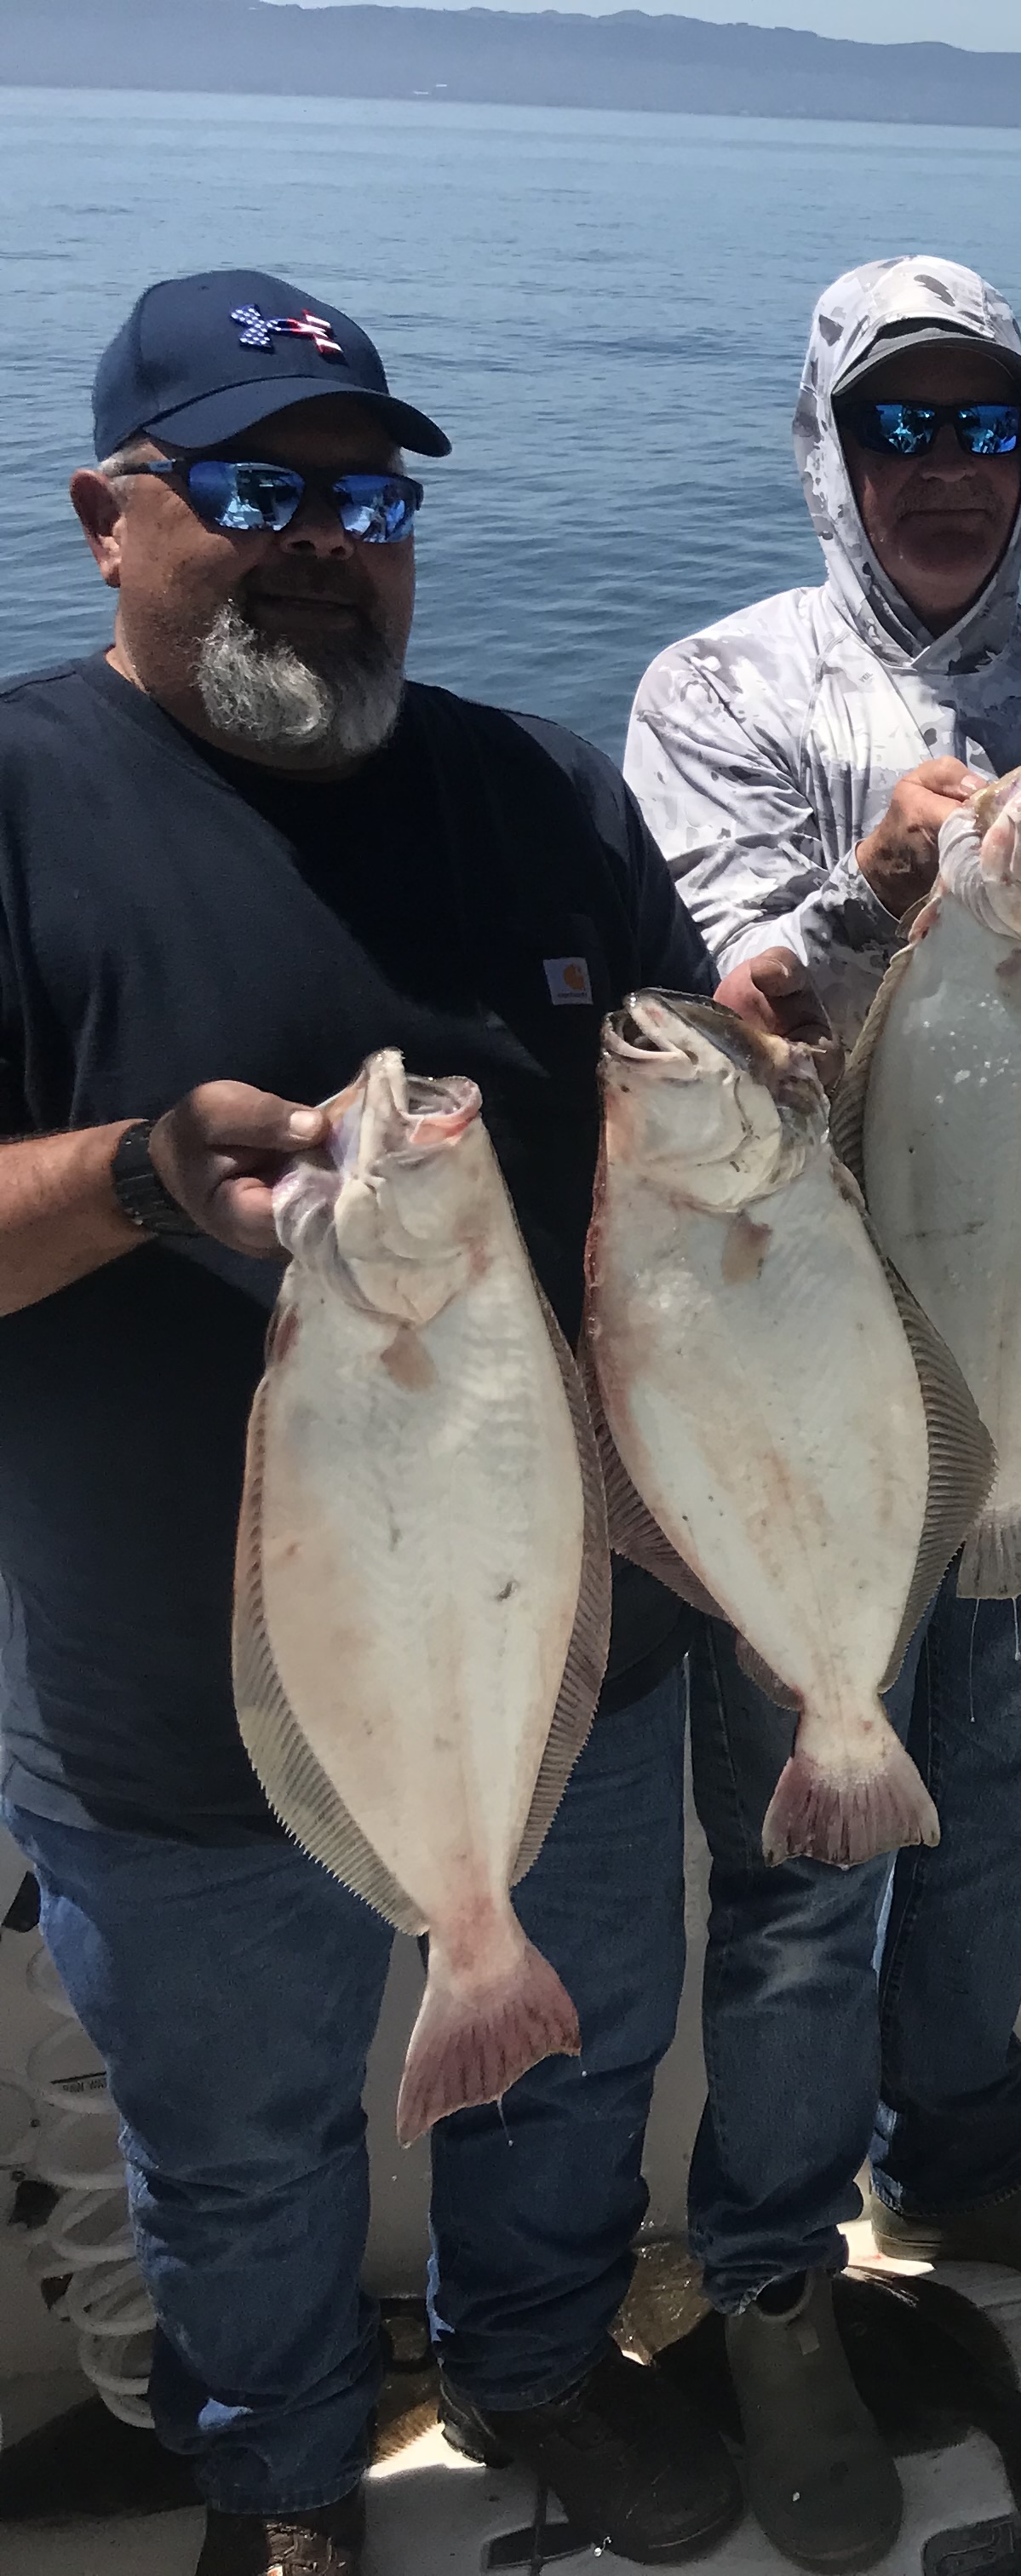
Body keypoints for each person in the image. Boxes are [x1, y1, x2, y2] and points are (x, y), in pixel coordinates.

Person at [0, 273, 740, 2576]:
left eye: (366, 491)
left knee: (577, 2063)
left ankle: (536, 2372)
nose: (326, 539)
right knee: (234, 2150)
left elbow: (692, 1136)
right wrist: (131, 1177)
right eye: (255, 487)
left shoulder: (539, 792)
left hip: (564, 1639)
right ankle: (287, 2483)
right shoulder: (17, 804)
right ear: (109, 516)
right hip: (172, 1697)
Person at [623, 256, 1021, 2570]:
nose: (945, 474)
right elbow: (717, 1034)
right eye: (900, 429)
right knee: (792, 1878)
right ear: (826, 443)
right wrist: (876, 899)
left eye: (985, 429)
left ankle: (955, 2163)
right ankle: (769, 2272)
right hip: (817, 1410)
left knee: (1017, 1815)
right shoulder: (721, 691)